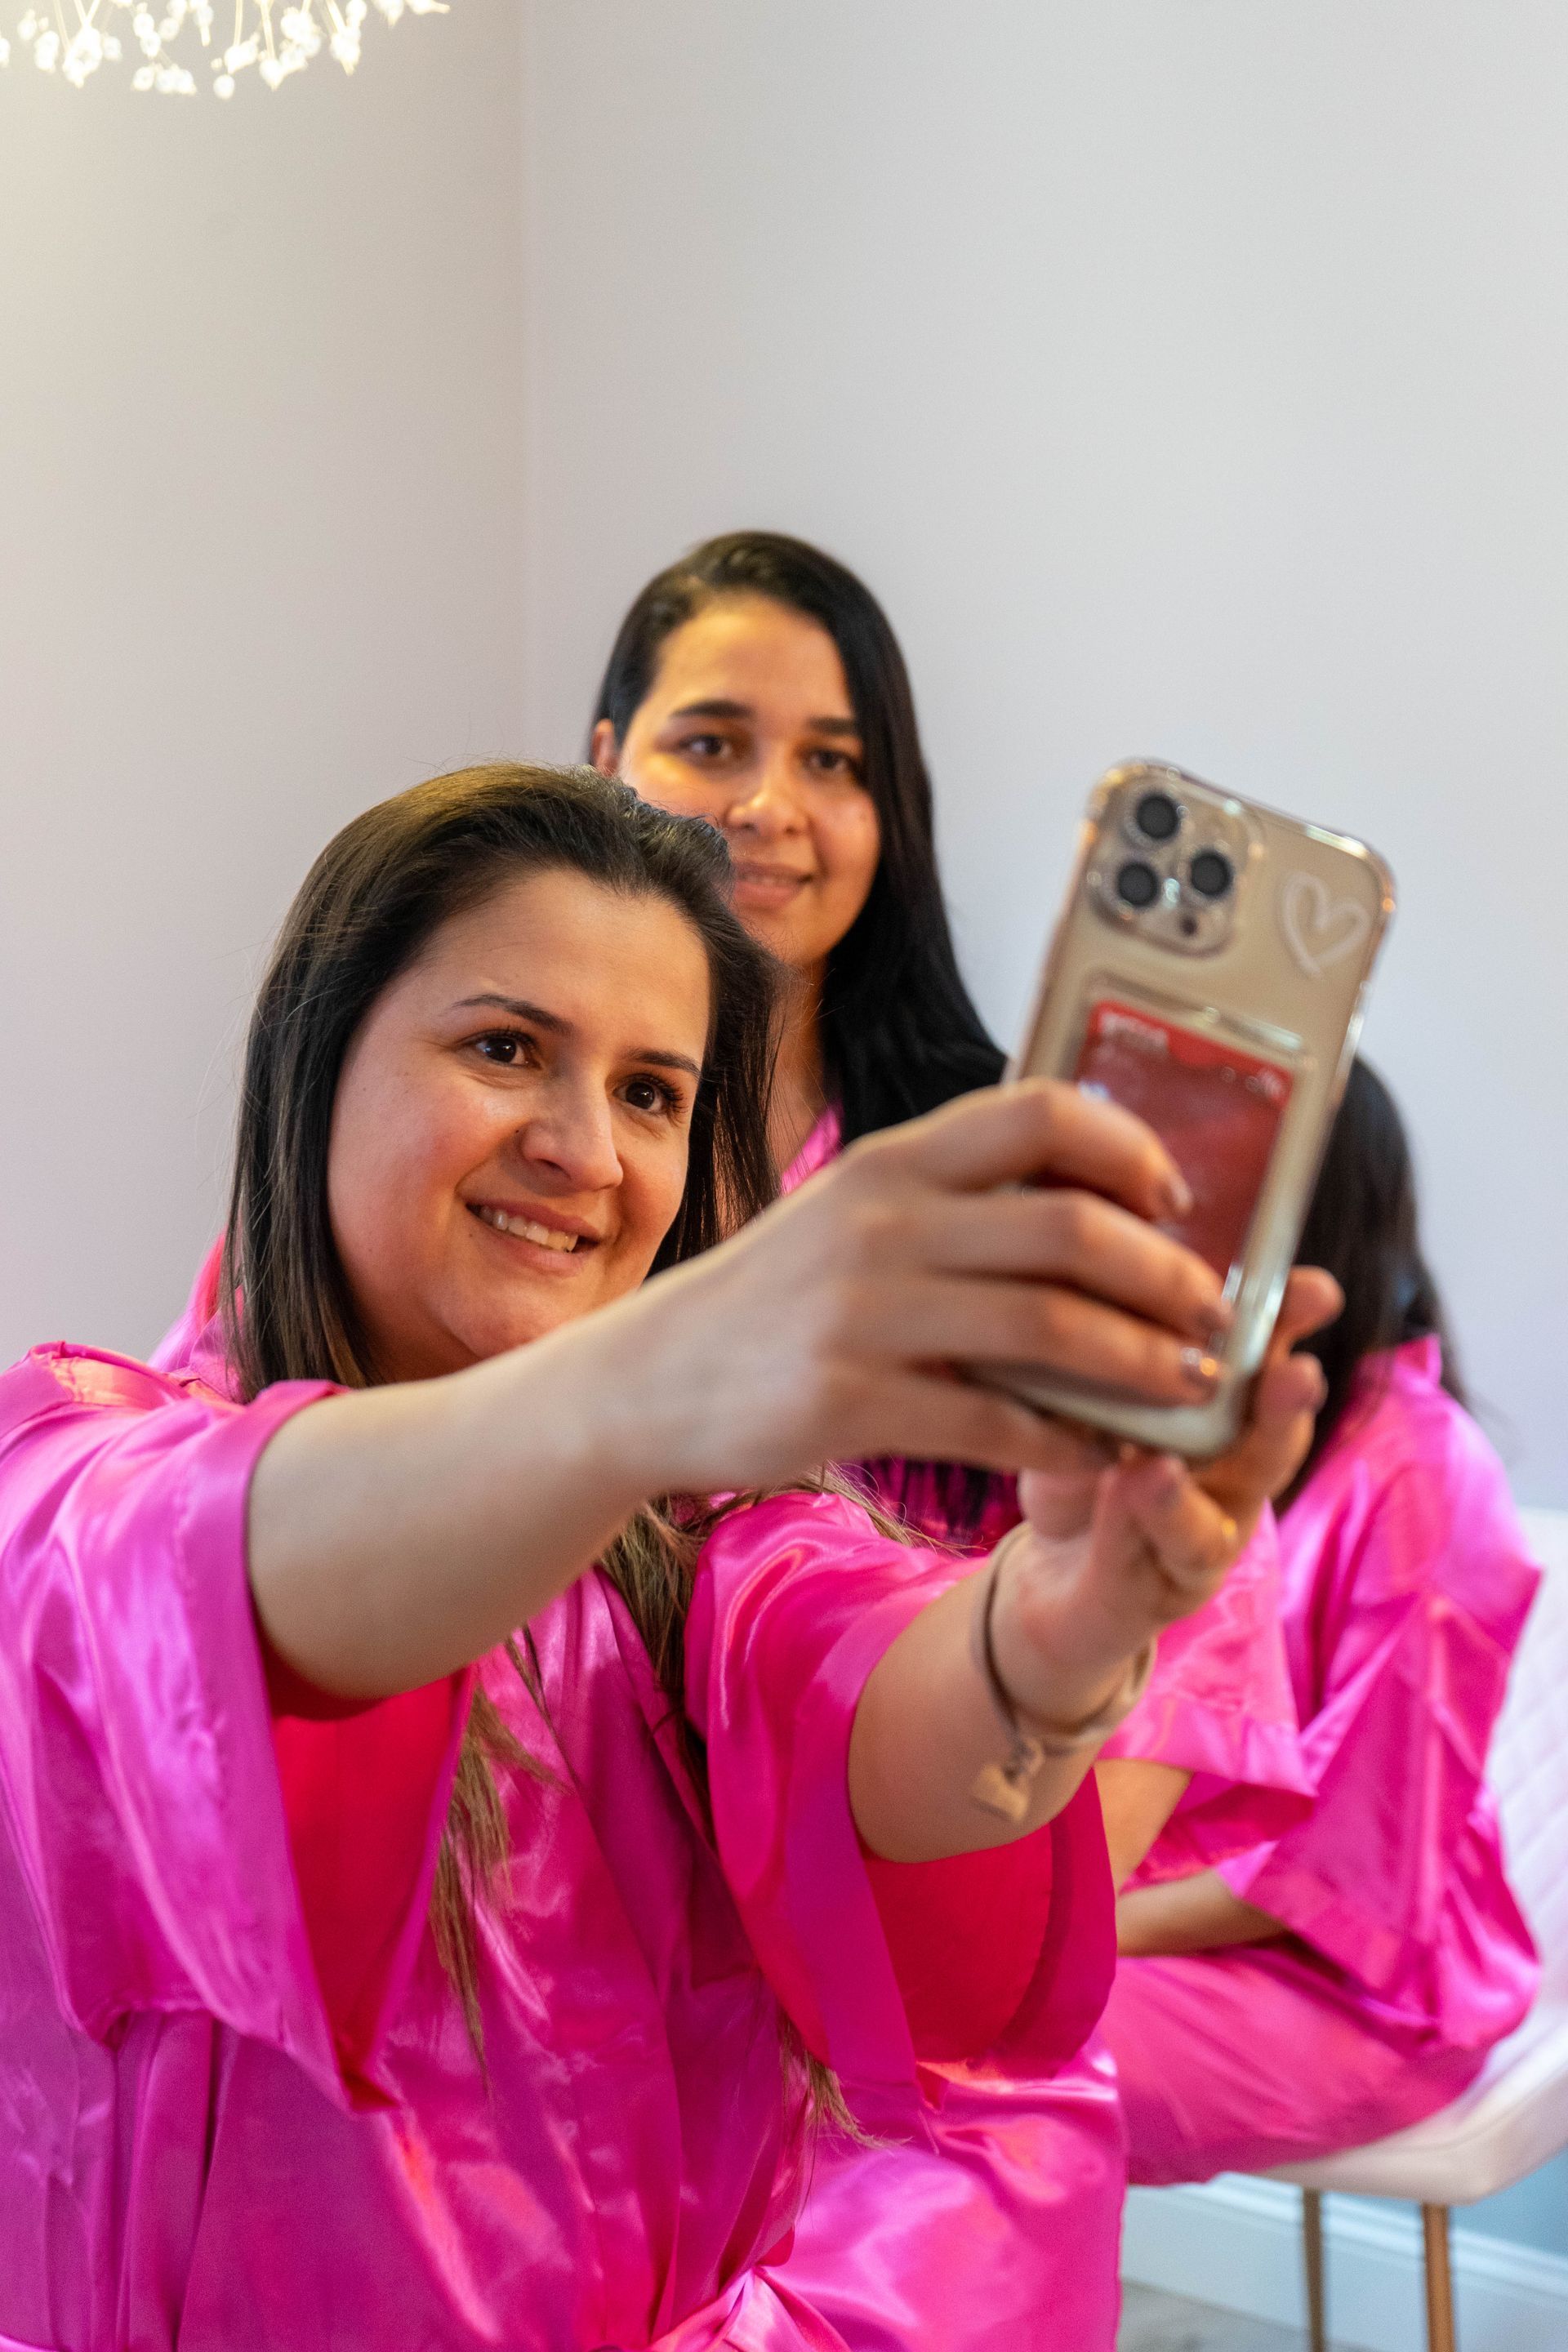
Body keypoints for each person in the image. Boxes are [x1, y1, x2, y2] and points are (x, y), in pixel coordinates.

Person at [0, 764, 1333, 2350]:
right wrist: (654, 1383)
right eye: (507, 1049)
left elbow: (870, 1706)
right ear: (317, 1063)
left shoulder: (697, 1549)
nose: (586, 1149)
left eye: (651, 1093)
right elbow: (210, 1578)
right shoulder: (78, 1454)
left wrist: (1059, 1623)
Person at [588, 534, 1313, 2339]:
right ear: (603, 759)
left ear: (892, 814)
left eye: (836, 760)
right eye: (711, 741)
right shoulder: (527, 1161)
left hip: (906, 2012)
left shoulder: (1014, 1178)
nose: (773, 805)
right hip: (558, 1962)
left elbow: (1151, 1653)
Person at [1101, 1059, 1541, 2179]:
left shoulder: (1429, 1478)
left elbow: (1341, 1875)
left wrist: (1063, 1932)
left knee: (980, 2065)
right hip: (1166, 1910)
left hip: (1360, 1991)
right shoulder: (1192, 1424)